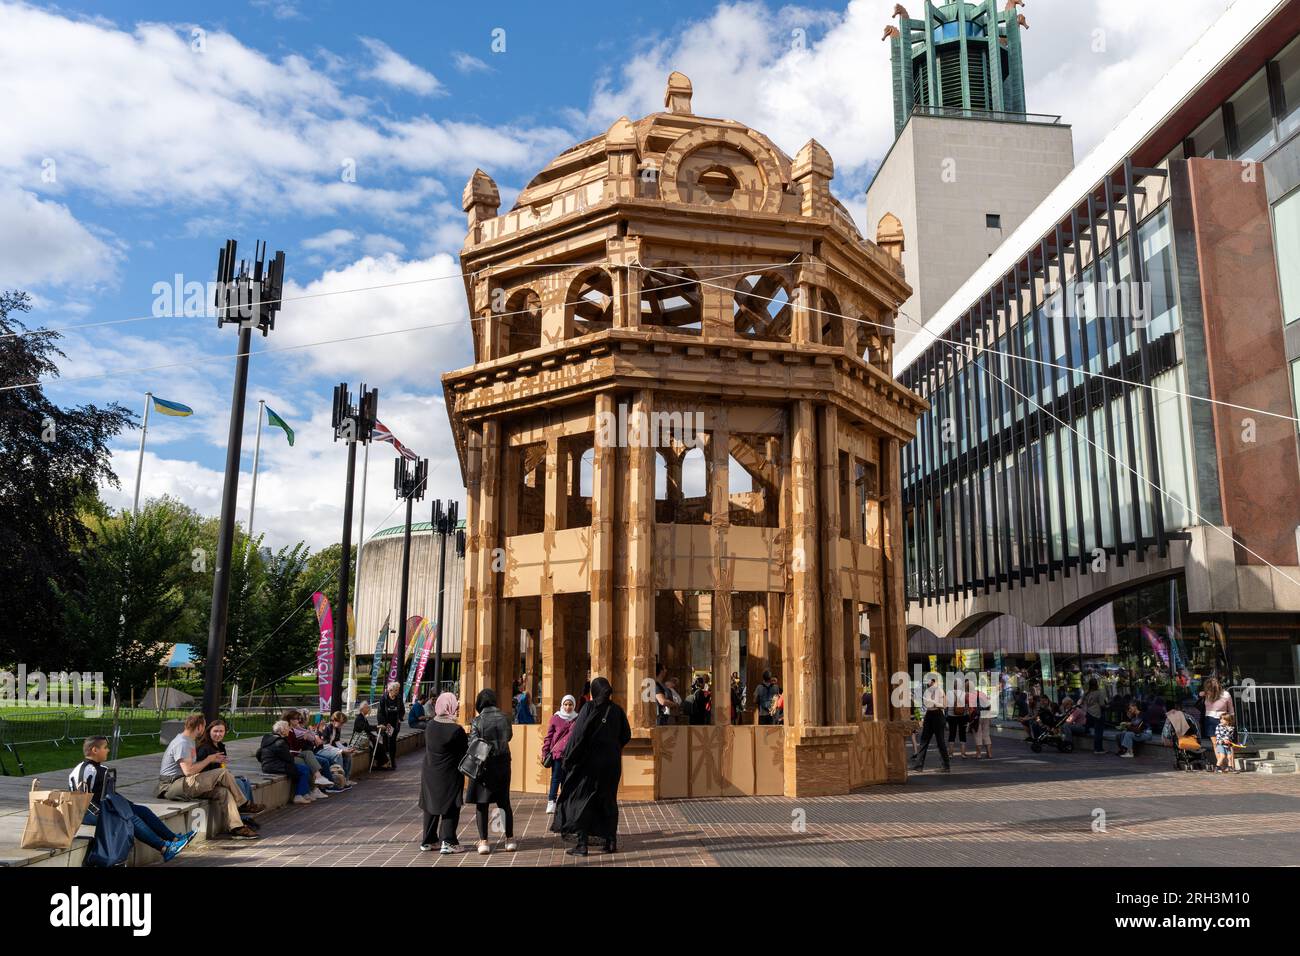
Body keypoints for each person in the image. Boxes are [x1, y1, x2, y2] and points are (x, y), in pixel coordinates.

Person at [71, 736, 195, 861]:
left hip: (99, 809)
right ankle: (164, 848)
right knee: (129, 818)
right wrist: (108, 814)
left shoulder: (91, 768)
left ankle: (174, 839)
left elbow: (109, 795)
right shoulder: (91, 770)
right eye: (105, 747)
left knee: (142, 810)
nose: (107, 750)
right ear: (95, 750)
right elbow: (84, 800)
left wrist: (127, 805)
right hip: (89, 813)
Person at [551, 676, 631, 856]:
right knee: (608, 800)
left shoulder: (589, 707)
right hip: (611, 764)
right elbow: (626, 735)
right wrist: (612, 747)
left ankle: (582, 844)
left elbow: (578, 736)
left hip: (589, 764)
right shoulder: (617, 710)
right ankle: (610, 842)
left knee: (582, 800)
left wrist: (569, 759)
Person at [157, 713, 261, 839]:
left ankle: (236, 828)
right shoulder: (182, 743)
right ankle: (244, 804)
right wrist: (209, 759)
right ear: (200, 727)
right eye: (205, 726)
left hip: (184, 783)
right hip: (172, 785)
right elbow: (189, 771)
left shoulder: (188, 741)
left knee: (224, 792)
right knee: (222, 773)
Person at [466, 688, 515, 854]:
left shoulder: (477, 720)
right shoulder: (505, 717)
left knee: (482, 803)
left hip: (484, 765)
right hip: (503, 762)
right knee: (504, 802)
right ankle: (509, 839)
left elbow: (473, 744)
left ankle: (484, 841)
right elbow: (508, 736)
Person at [420, 692, 469, 853]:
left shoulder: (430, 726)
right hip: (449, 774)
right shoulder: (456, 730)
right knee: (450, 806)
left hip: (429, 771)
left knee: (430, 805)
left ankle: (428, 841)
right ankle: (448, 841)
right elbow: (464, 752)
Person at [256, 721, 316, 804]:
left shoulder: (268, 738)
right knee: (304, 769)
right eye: (288, 728)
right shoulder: (280, 742)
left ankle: (305, 793)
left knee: (300, 768)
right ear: (282, 730)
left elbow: (258, 753)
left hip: (266, 766)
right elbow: (288, 759)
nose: (289, 730)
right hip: (276, 766)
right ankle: (299, 795)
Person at [540, 694, 579, 814]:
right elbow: (549, 737)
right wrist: (545, 751)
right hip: (557, 754)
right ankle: (551, 802)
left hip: (571, 754)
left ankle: (565, 802)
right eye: (566, 704)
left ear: (574, 705)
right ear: (562, 705)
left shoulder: (577, 719)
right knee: (556, 778)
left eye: (570, 704)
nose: (568, 707)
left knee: (567, 780)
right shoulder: (556, 718)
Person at [910, 676, 950, 772]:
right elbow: (926, 704)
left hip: (937, 715)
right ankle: (919, 765)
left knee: (940, 741)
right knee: (924, 740)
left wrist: (934, 703)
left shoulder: (940, 691)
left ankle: (946, 765)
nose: (927, 682)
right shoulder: (927, 691)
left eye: (928, 680)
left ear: (933, 681)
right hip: (929, 715)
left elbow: (944, 706)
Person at [320, 711, 358, 785]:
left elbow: (337, 742)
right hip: (324, 749)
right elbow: (325, 745)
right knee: (339, 754)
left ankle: (346, 779)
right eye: (341, 723)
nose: (342, 725)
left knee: (348, 755)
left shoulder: (337, 729)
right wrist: (341, 751)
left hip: (331, 749)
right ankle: (340, 780)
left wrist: (347, 749)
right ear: (334, 720)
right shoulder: (327, 728)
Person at [376, 681, 405, 771]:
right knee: (386, 742)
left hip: (395, 724)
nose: (397, 692)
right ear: (390, 690)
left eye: (398, 690)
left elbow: (402, 710)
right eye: (396, 690)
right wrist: (385, 724)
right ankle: (385, 762)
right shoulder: (384, 699)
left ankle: (392, 761)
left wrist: (400, 718)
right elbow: (380, 713)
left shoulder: (399, 698)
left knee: (392, 743)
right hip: (386, 724)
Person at [1199, 677, 1234, 741]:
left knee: (1224, 742)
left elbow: (1231, 708)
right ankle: (1219, 751)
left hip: (1223, 719)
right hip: (1210, 719)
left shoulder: (1225, 694)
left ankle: (1223, 751)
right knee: (1215, 742)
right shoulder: (1207, 694)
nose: (1208, 690)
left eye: (1209, 689)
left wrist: (1232, 719)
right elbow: (1200, 694)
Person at [1082, 678, 1106, 754]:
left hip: (1089, 713)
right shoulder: (1098, 693)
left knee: (1096, 731)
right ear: (1096, 684)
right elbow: (1102, 704)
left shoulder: (1086, 693)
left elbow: (1083, 702)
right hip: (1097, 714)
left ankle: (1096, 748)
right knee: (1099, 732)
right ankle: (1098, 749)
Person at [947, 680, 971, 758]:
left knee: (952, 733)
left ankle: (950, 753)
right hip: (962, 716)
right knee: (962, 734)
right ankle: (963, 753)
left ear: (953, 685)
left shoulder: (949, 693)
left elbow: (946, 704)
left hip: (951, 715)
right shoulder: (964, 694)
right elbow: (967, 706)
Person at [969, 685, 992, 758]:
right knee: (986, 734)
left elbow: (971, 709)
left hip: (977, 716)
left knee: (978, 734)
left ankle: (978, 754)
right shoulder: (982, 693)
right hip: (986, 714)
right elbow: (989, 704)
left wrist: (970, 719)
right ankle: (989, 753)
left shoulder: (970, 695)